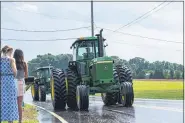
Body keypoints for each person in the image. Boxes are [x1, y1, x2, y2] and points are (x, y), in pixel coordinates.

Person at [1, 45, 19, 123]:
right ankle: (10, 121)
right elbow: (15, 73)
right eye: (11, 52)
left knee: (2, 102)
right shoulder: (11, 60)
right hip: (10, 82)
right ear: (9, 51)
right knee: (11, 102)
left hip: (1, 81)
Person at [13, 49, 28, 123]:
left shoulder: (12, 62)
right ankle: (20, 121)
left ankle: (11, 120)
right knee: (20, 104)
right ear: (21, 55)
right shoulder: (24, 63)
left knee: (12, 103)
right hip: (21, 83)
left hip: (13, 83)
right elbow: (26, 75)